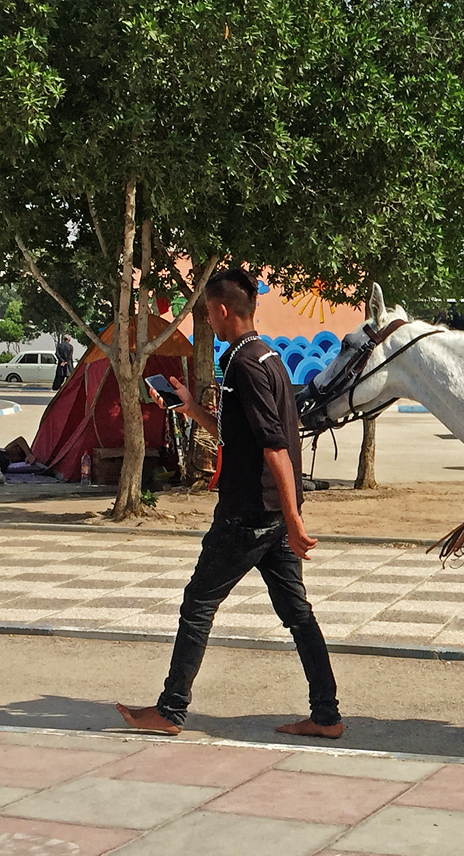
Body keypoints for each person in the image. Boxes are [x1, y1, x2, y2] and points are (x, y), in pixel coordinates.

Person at [117, 267, 342, 739]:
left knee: (197, 603)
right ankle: (326, 716)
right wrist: (194, 410)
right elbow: (243, 439)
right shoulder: (269, 359)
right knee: (298, 615)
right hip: (272, 515)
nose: (209, 323)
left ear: (222, 310)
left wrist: (296, 520)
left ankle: (170, 710)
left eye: (209, 314)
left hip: (248, 516)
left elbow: (275, 447)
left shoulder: (242, 364)